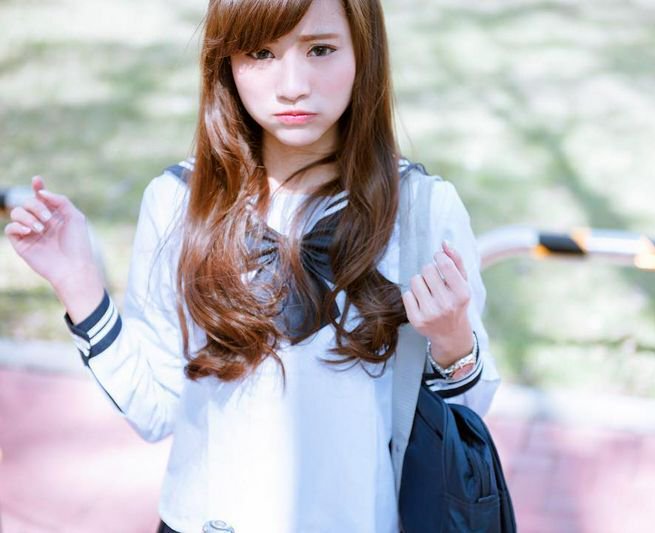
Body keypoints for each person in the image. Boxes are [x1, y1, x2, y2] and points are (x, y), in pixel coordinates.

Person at [4, 0, 501, 531]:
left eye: (320, 50)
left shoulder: (421, 208)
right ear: (227, 61)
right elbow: (154, 410)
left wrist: (453, 339)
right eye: (262, 53)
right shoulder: (179, 202)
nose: (293, 85)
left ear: (365, 53)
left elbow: (469, 416)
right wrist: (79, 286)